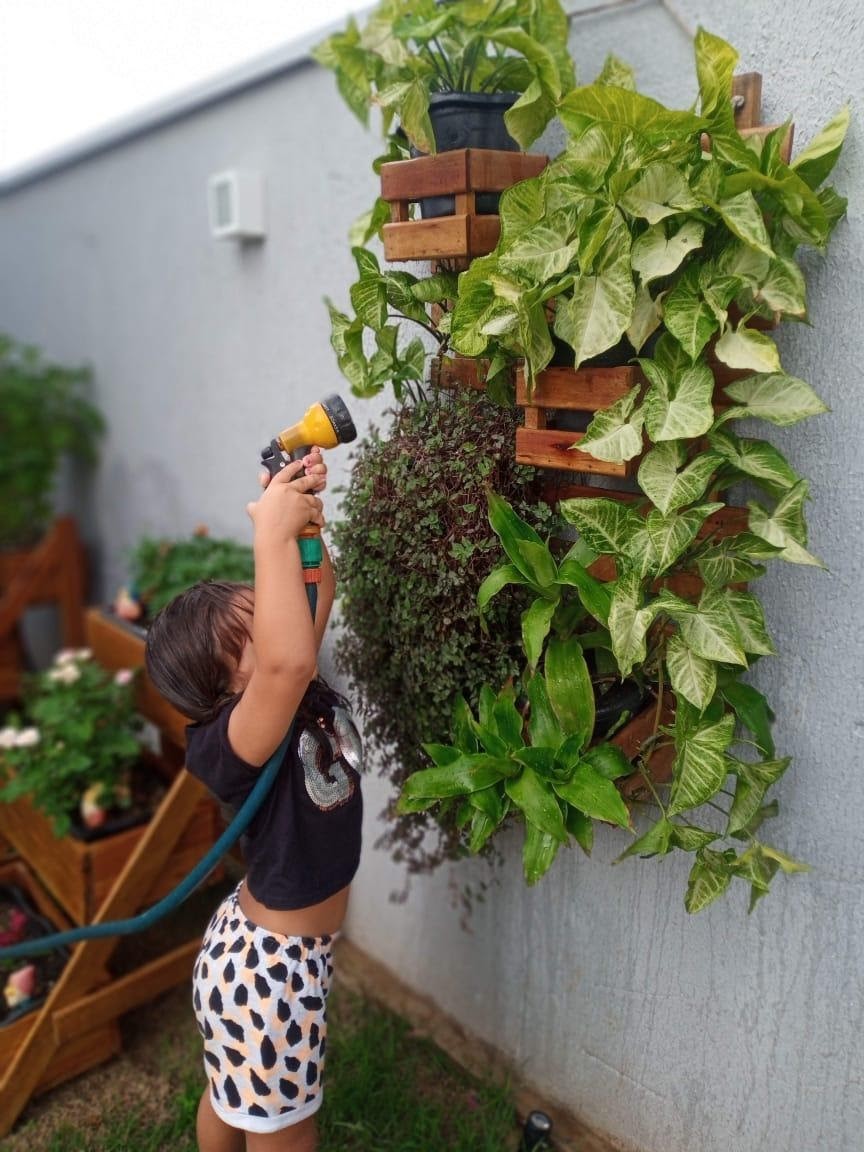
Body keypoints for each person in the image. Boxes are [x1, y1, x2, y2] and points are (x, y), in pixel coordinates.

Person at [144, 448, 363, 1152]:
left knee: (235, 1093)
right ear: (222, 686)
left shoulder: (287, 688)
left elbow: (315, 590)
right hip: (270, 974)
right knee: (281, 1129)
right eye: (253, 629)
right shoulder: (227, 742)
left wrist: (296, 517)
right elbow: (287, 657)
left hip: (263, 951)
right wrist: (267, 533)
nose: (275, 626)